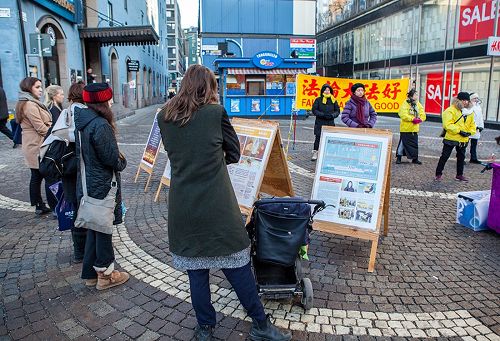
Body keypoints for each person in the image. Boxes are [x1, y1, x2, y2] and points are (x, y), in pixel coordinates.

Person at [157, 65, 291, 341]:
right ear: (209, 87)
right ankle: (260, 325)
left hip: (183, 205)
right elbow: (234, 153)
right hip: (217, 203)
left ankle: (205, 328)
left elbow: (173, 153)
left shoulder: (164, 117)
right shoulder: (215, 113)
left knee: (196, 270)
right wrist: (214, 161)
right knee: (236, 265)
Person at [75, 83, 129, 289]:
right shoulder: (100, 125)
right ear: (102, 102)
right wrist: (121, 161)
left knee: (95, 227)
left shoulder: (83, 121)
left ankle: (90, 273)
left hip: (89, 183)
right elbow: (110, 158)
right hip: (102, 184)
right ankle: (106, 274)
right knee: (104, 228)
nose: (112, 102)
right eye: (109, 99)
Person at [43, 83, 87, 262]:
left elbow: (50, 140)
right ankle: (86, 250)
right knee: (84, 208)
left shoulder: (64, 114)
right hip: (78, 168)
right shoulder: (83, 115)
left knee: (74, 209)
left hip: (66, 169)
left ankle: (79, 252)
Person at [15, 77, 53, 215]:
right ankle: (41, 204)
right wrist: (53, 129)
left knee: (37, 176)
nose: (41, 90)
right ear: (28, 88)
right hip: (36, 145)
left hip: (34, 143)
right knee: (41, 175)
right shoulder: (30, 105)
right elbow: (40, 127)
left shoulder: (29, 103)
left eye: (41, 87)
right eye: (37, 87)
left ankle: (38, 204)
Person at [435, 92, 476, 182]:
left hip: (463, 139)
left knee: (461, 158)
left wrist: (469, 133)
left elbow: (473, 125)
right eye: (463, 100)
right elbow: (447, 125)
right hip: (451, 138)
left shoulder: (470, 112)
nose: (465, 102)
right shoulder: (450, 110)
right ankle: (438, 174)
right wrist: (459, 131)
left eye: (467, 100)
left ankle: (459, 175)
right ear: (459, 100)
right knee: (445, 156)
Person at [396, 89, 426, 165]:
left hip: (414, 129)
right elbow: (402, 114)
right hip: (405, 129)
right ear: (411, 96)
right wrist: (412, 119)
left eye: (417, 94)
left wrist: (420, 119)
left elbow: (423, 114)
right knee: (402, 144)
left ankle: (415, 158)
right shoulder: (405, 103)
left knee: (415, 144)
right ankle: (399, 157)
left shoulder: (418, 104)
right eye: (415, 94)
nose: (417, 96)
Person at [311, 84, 340, 161]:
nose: (327, 91)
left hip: (330, 122)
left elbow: (337, 111)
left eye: (328, 90)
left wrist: (332, 115)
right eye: (325, 90)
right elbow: (314, 110)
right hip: (320, 122)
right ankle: (315, 153)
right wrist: (323, 115)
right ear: (322, 91)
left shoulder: (334, 100)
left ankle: (328, 153)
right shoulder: (318, 100)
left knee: (330, 138)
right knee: (318, 138)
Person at [468, 93, 484, 164]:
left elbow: (481, 117)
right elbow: (468, 118)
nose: (476, 99)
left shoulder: (478, 107)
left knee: (474, 144)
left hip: (477, 129)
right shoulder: (468, 106)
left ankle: (473, 158)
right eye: (475, 98)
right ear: (471, 98)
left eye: (477, 98)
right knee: (463, 145)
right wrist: (474, 126)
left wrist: (481, 126)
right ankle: (460, 158)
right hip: (469, 128)